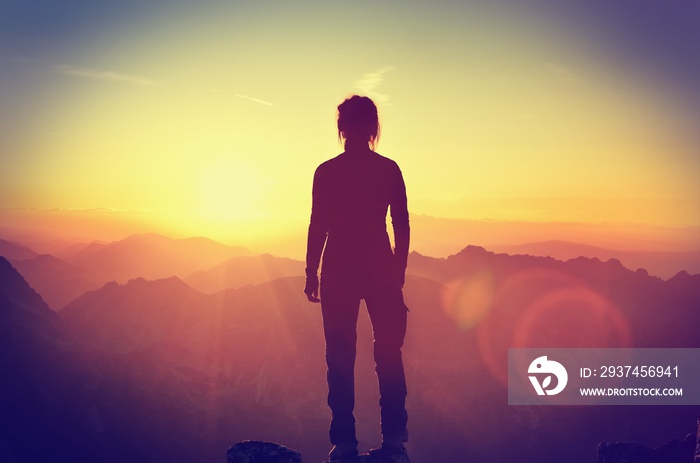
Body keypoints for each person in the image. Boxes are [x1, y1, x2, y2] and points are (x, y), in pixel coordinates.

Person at [304, 95, 410, 462]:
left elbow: (318, 223)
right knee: (389, 355)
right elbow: (401, 221)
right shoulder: (388, 169)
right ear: (373, 128)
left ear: (342, 128)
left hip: (337, 267)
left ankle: (345, 444)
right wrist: (398, 269)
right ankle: (394, 441)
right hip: (380, 264)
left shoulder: (327, 171)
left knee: (339, 357)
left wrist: (311, 271)